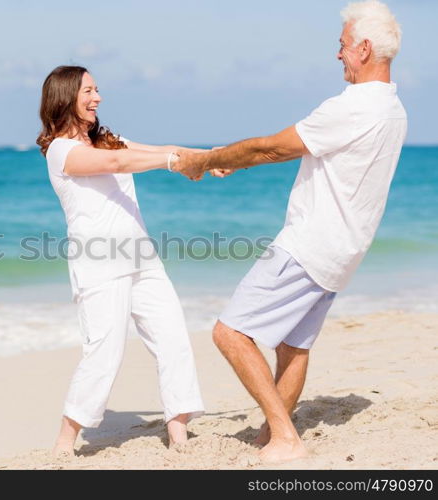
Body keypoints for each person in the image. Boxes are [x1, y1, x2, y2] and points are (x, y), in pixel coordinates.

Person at [174, 0, 406, 463]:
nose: (337, 55)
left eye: (342, 46)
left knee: (230, 333)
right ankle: (271, 432)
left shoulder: (353, 107)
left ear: (363, 48)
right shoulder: (393, 108)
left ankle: (284, 436)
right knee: (292, 344)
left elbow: (270, 148)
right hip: (343, 251)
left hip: (308, 245)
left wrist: (207, 160)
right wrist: (231, 161)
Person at [37, 65, 205, 456]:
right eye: (88, 92)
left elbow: (155, 151)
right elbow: (119, 164)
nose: (97, 98)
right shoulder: (62, 151)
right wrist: (173, 162)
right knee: (105, 353)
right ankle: (65, 441)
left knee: (174, 339)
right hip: (99, 265)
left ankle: (178, 429)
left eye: (97, 90)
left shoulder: (108, 139)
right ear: (66, 98)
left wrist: (204, 159)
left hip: (142, 258)